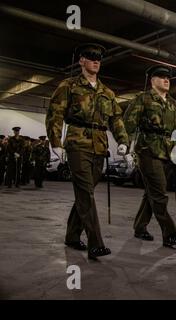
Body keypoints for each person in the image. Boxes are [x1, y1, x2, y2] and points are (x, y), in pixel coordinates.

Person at [46, 43, 129, 260]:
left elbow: (116, 119)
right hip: (77, 144)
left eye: (99, 58)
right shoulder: (69, 85)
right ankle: (96, 243)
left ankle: (72, 236)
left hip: (100, 146)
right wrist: (56, 143)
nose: (96, 61)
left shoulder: (107, 92)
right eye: (91, 57)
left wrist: (122, 141)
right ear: (81, 60)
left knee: (85, 195)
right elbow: (54, 114)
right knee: (85, 193)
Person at [123, 65, 176, 247]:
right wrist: (126, 147)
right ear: (152, 80)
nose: (166, 80)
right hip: (148, 151)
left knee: (151, 193)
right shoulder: (143, 99)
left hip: (167, 153)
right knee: (159, 193)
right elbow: (128, 124)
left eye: (168, 77)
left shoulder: (174, 104)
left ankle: (140, 227)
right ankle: (170, 233)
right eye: (161, 77)